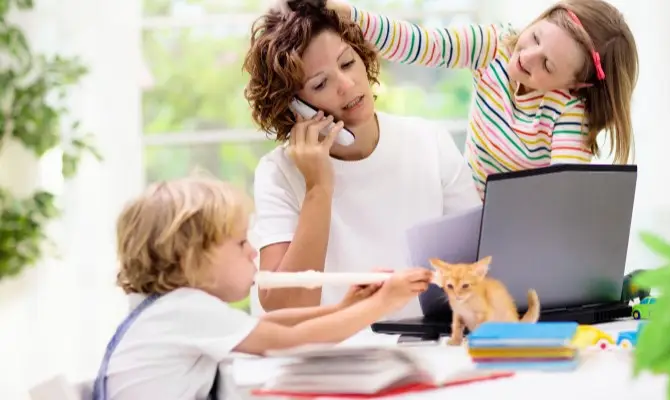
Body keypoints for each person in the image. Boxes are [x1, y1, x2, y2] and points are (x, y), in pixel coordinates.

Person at [91, 176, 433, 400]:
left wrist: (344, 308)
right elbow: (288, 342)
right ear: (192, 259)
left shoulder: (169, 310)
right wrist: (382, 304)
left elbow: (270, 326)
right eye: (241, 243)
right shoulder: (183, 309)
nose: (253, 252)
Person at [243, 0, 481, 316]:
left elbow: (478, 269)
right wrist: (318, 188)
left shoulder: (428, 141)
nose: (347, 84)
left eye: (346, 63)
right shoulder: (278, 173)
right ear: (293, 107)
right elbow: (287, 309)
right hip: (327, 354)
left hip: (424, 347)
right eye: (320, 83)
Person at [328, 0, 639, 198]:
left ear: (576, 84)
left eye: (547, 65)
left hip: (517, 228)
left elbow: (562, 195)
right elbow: (420, 44)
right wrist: (350, 15)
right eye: (534, 37)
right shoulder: (495, 45)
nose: (526, 57)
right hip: (463, 206)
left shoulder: (569, 112)